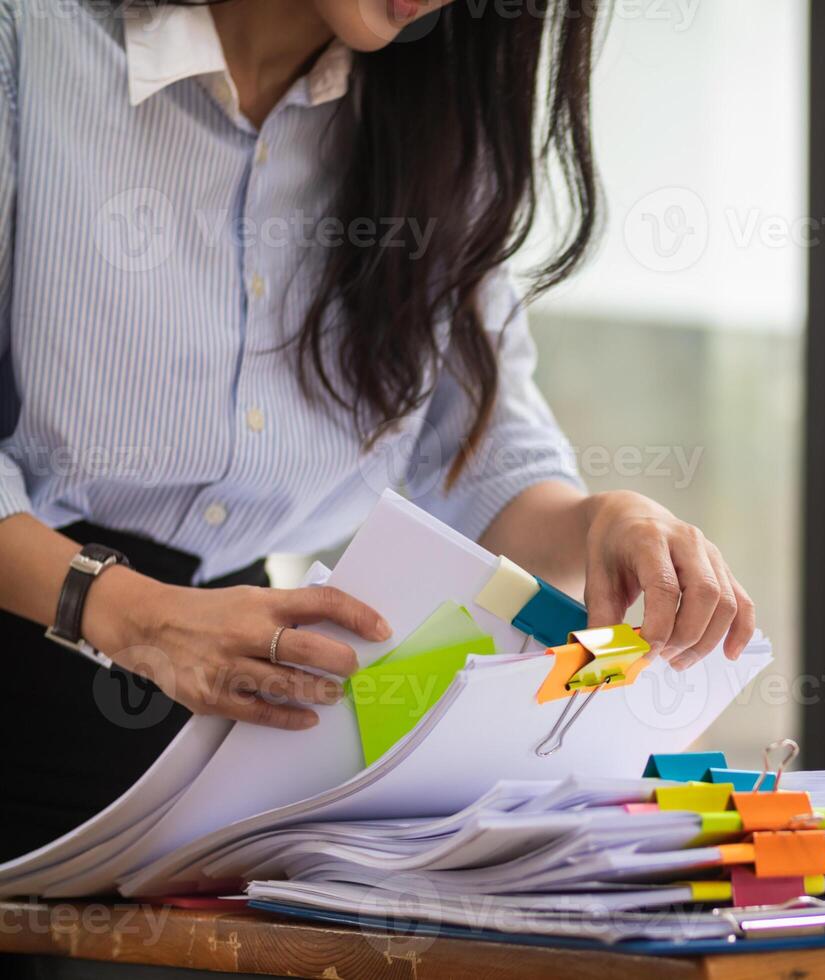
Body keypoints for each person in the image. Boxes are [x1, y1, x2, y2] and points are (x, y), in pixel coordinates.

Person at [0, 0, 754, 860]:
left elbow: (482, 463)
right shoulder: (34, 39)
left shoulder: (430, 126)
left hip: (241, 737)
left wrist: (605, 523)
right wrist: (138, 619)